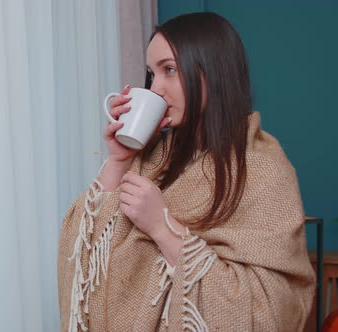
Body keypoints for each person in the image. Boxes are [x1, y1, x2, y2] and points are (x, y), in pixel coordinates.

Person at [57, 12, 315, 332]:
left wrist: (162, 228)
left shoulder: (263, 170)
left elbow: (272, 308)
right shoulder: (151, 155)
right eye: (151, 74)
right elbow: (83, 260)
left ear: (214, 72)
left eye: (170, 70)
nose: (156, 89)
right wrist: (119, 160)